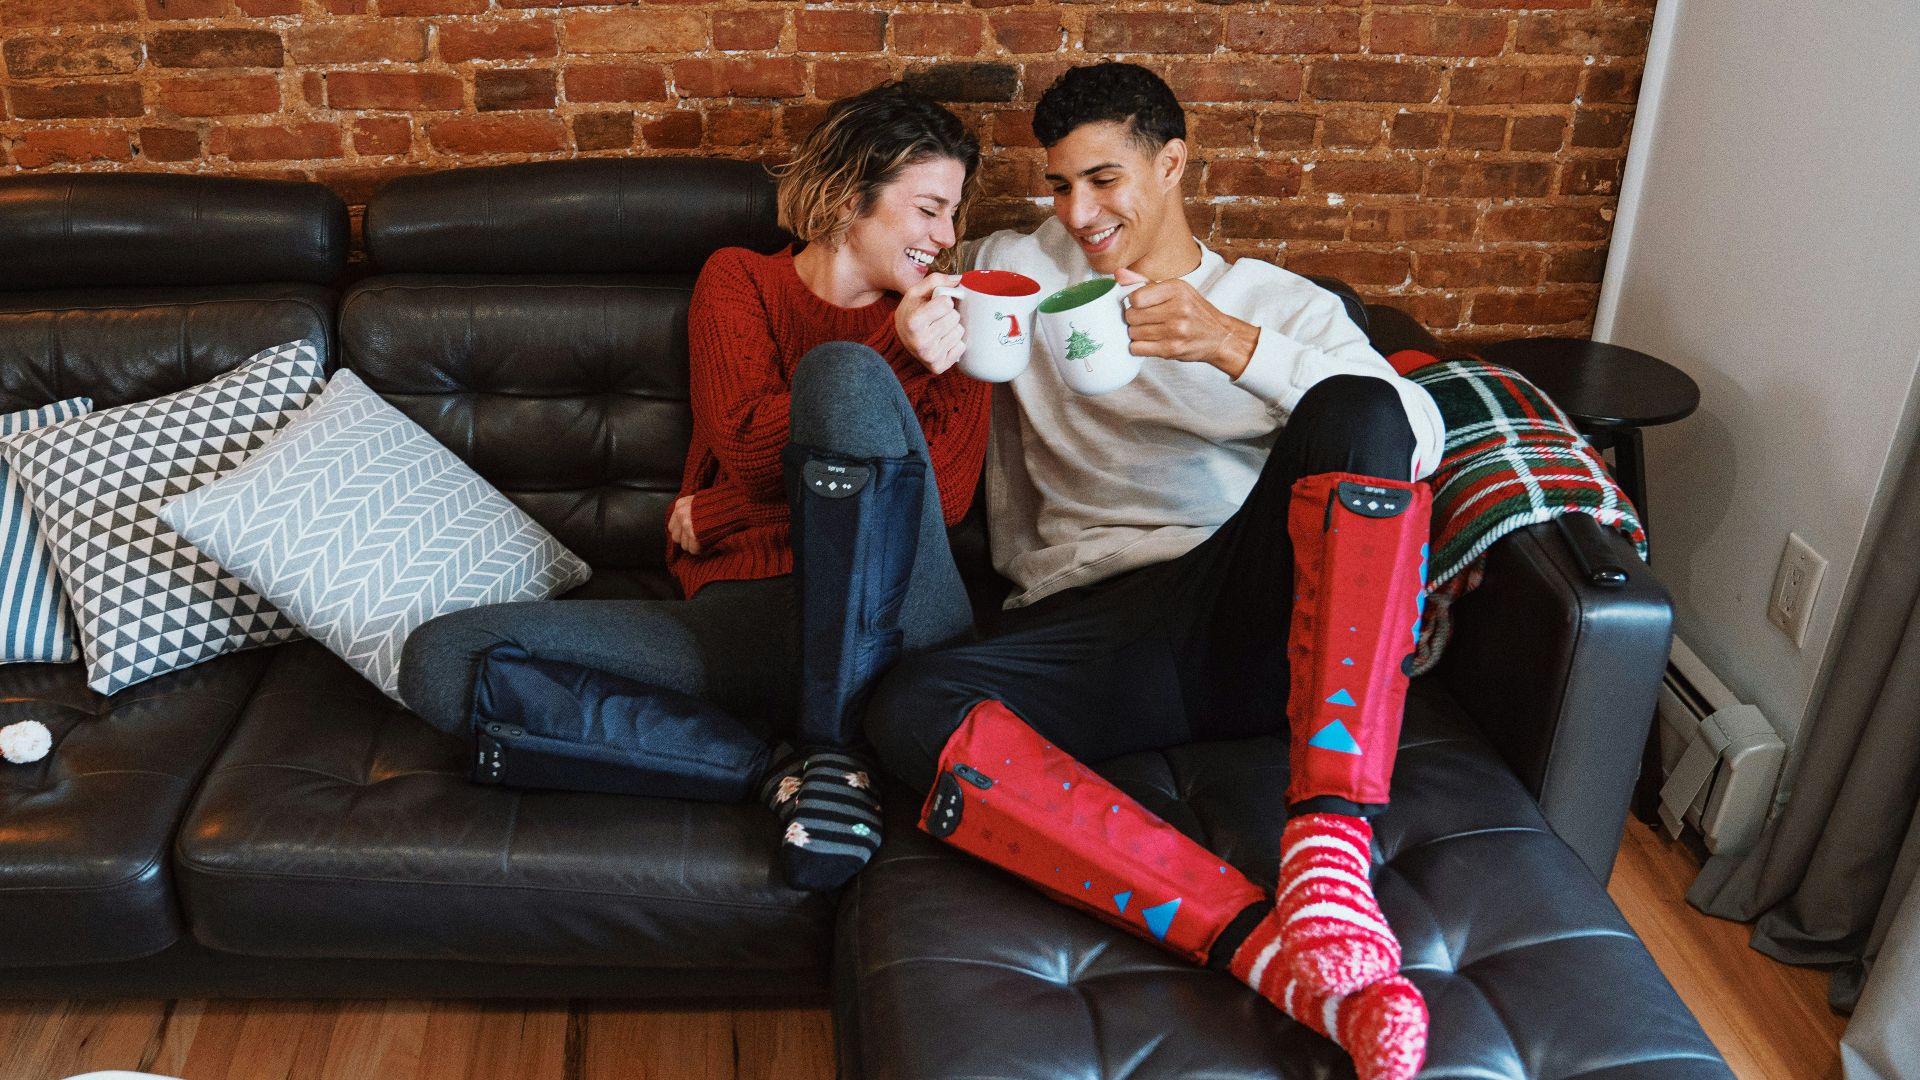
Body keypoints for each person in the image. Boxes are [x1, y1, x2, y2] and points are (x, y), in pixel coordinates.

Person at [867, 64, 1446, 1080]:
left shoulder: (1274, 300)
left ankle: (1327, 855)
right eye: (1059, 185)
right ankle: (1262, 951)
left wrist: (1236, 346)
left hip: (1247, 614)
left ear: (1172, 163)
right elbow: (894, 262)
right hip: (1095, 632)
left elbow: (1417, 436)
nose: (1080, 212)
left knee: (1360, 406)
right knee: (905, 709)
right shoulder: (1013, 268)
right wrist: (906, 341)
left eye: (1104, 179)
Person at [398, 83, 990, 893]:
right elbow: (748, 447)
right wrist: (894, 353)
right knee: (439, 659)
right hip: (756, 620)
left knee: (845, 380)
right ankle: (792, 766)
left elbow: (942, 503)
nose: (946, 237)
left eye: (953, 214)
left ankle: (820, 738)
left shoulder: (959, 321)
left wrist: (714, 511)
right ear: (855, 192)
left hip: (897, 617)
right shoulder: (740, 280)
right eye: (929, 209)